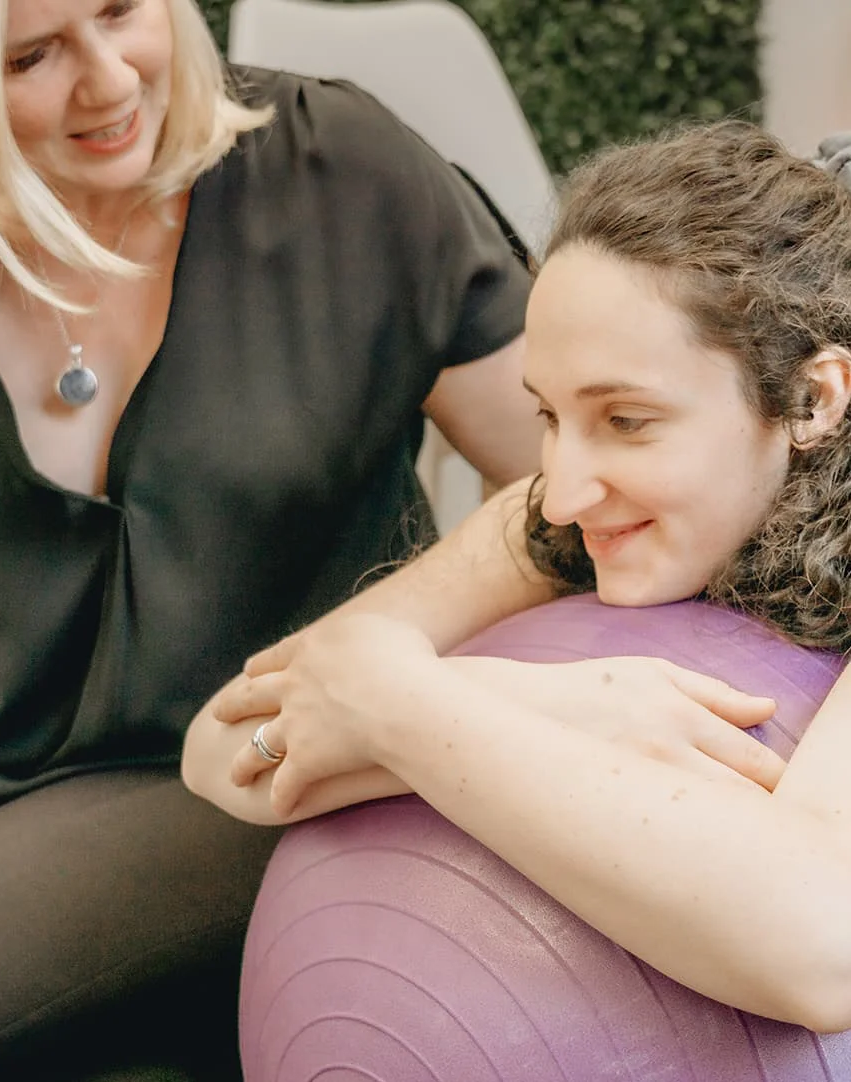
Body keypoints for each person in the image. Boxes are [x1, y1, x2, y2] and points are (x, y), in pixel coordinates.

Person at [0, 0, 543, 1079]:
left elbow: (564, 491)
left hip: (277, 778)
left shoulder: (346, 175)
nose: (112, 79)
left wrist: (383, 638)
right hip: (6, 770)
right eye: (31, 56)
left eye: (123, 11)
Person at [184, 120, 851, 1028]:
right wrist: (560, 706)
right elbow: (223, 749)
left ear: (813, 400)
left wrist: (397, 704)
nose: (566, 489)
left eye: (628, 420)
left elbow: (821, 955)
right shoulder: (556, 516)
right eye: (550, 415)